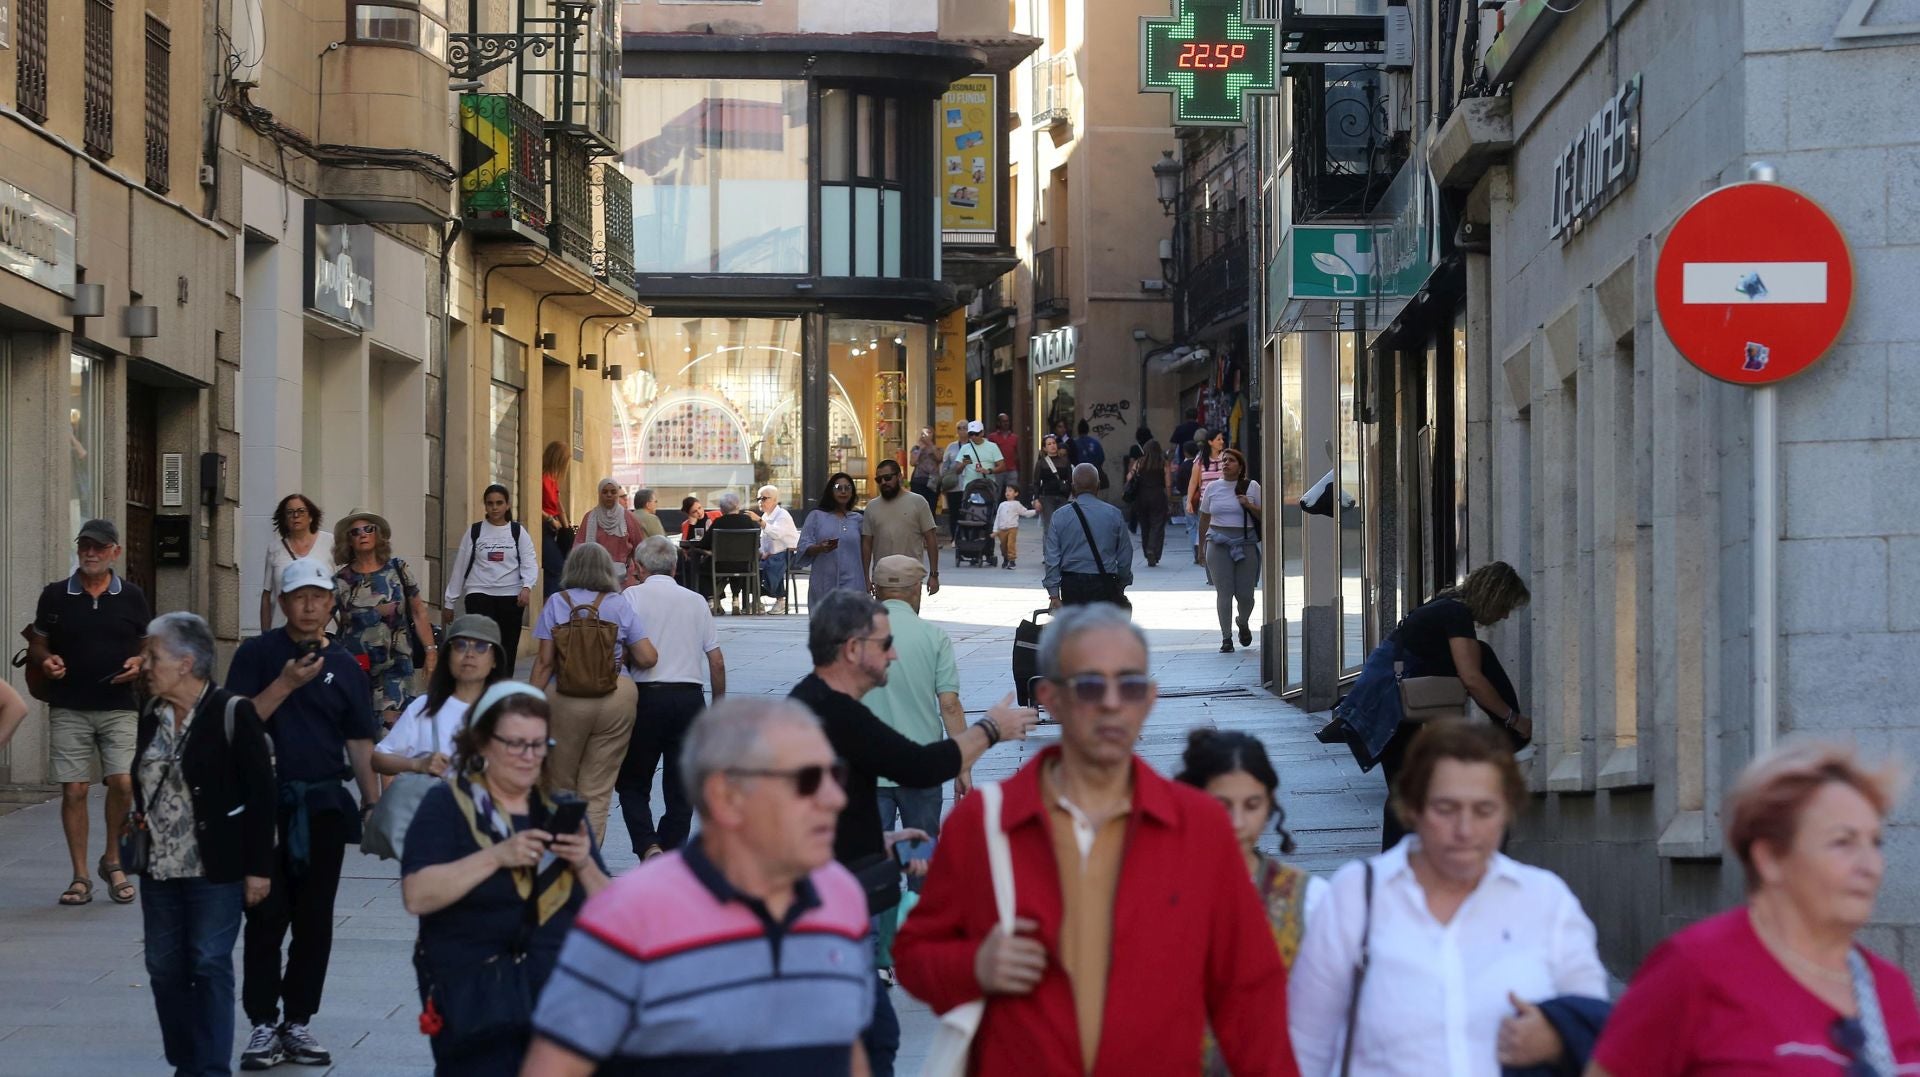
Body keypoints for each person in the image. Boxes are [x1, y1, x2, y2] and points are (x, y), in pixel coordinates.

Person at [895, 604, 1301, 1076]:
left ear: (1149, 699)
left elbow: (1251, 997)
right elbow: (916, 954)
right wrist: (973, 966)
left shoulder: (1200, 828)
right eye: (1090, 685)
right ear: (1049, 698)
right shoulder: (986, 823)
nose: (1111, 702)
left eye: (1128, 686)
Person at [522, 698, 874, 1076]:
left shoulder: (842, 896)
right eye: (807, 781)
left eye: (835, 775)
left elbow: (847, 1048)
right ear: (726, 797)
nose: (835, 799)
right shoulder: (630, 914)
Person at [792, 588, 1039, 1077]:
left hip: (831, 899)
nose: (895, 653)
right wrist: (991, 728)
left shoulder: (816, 705)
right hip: (826, 915)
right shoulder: (834, 713)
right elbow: (919, 765)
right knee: (870, 1040)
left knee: (873, 1037)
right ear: (852, 650)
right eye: (885, 645)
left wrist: (869, 838)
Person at [1288, 720, 1608, 1077]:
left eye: (1484, 810)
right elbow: (1305, 1048)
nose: (1465, 830)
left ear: (1507, 811)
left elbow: (1596, 1033)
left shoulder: (1546, 900)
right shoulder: (1357, 896)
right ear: (1413, 807)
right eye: (1446, 809)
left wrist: (1556, 1040)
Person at [1589, 741, 1920, 1076]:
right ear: (1770, 858)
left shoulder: (1888, 988)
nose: (1870, 865)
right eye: (1843, 842)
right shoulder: (1695, 969)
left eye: (1875, 843)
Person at [401, 683, 611, 1075]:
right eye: (515, 744)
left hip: (558, 1003)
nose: (528, 757)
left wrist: (584, 863)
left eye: (537, 745)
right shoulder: (448, 805)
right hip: (477, 1000)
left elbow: (616, 912)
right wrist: (496, 856)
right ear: (481, 743)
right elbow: (417, 895)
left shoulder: (561, 809)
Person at [226, 558, 382, 1070]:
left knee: (315, 922)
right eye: (299, 597)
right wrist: (287, 683)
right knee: (266, 918)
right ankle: (262, 1024)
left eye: (319, 596)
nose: (310, 605)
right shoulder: (256, 654)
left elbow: (359, 737)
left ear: (331, 603)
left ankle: (298, 1021)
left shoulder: (347, 662)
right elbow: (238, 724)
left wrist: (372, 799)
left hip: (323, 806)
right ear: (283, 603)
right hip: (265, 808)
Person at [132, 612, 276, 1077]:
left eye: (153, 655)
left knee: (209, 963)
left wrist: (259, 868)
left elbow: (261, 796)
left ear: (186, 662)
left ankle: (211, 1069)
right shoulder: (149, 714)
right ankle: (186, 1061)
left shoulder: (233, 712)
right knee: (163, 969)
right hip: (159, 868)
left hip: (216, 868)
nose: (144, 663)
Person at [1332, 561, 1533, 850]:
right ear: (1495, 596)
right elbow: (1472, 678)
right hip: (1387, 705)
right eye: (1506, 607)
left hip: (1386, 700)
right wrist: (1513, 718)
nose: (1503, 616)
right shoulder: (1455, 613)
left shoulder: (1445, 606)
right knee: (1407, 787)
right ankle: (1393, 868)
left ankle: (1402, 863)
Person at [28, 518, 151, 908]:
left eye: (99, 547)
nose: (91, 553)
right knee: (75, 789)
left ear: (115, 552)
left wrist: (139, 662)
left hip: (119, 706)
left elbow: (149, 644)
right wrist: (46, 661)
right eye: (85, 546)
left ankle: (112, 860)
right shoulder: (55, 596)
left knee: (123, 783)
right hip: (69, 705)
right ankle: (80, 875)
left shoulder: (131, 595)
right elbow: (37, 645)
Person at [861, 557, 966, 970]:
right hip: (922, 769)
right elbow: (950, 704)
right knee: (921, 860)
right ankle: (919, 949)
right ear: (916, 590)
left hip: (868, 771)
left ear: (875, 590)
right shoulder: (933, 636)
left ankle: (879, 958)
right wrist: (963, 763)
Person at [529, 543, 656, 840]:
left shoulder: (556, 602)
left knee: (559, 783)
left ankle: (559, 861)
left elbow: (544, 663)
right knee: (597, 790)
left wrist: (526, 705)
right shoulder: (619, 603)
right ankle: (587, 863)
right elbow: (648, 657)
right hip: (616, 695)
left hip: (566, 696)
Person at [1175, 729, 1328, 966]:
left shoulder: (1307, 898)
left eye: (1252, 806)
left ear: (1269, 804)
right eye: (1221, 806)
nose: (1237, 823)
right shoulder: (1160, 890)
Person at [617, 536, 725, 860]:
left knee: (633, 782)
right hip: (689, 699)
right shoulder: (694, 600)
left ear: (638, 566)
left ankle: (649, 846)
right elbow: (716, 661)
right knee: (681, 790)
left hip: (645, 698)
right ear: (676, 566)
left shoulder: (631, 596)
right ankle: (670, 851)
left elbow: (619, 651)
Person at [332, 509, 436, 728]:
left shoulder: (398, 569)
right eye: (355, 532)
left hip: (395, 664)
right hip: (356, 666)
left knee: (394, 731)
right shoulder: (340, 580)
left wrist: (430, 652)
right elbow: (320, 618)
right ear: (348, 540)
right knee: (360, 729)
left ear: (377, 535)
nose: (362, 534)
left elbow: (419, 612)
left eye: (368, 529)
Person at [371, 615, 505, 779]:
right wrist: (418, 764)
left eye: (482, 647)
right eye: (460, 645)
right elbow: (378, 759)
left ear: (494, 660)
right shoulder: (424, 706)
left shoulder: (508, 713)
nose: (470, 654)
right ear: (448, 656)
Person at [443, 484, 538, 673]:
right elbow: (460, 566)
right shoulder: (475, 532)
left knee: (506, 650)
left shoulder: (518, 532)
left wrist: (527, 587)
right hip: (479, 594)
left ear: (508, 505)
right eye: (490, 503)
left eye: (499, 503)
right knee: (482, 646)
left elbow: (529, 562)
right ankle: (481, 688)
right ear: (485, 506)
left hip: (510, 596)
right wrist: (449, 601)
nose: (495, 507)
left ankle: (501, 693)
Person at [1043, 462, 1134, 610]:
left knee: (1075, 630)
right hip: (1105, 582)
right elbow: (1125, 555)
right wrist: (1121, 583)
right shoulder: (1114, 514)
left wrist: (1054, 594)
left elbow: (1052, 557)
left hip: (1072, 584)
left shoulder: (1059, 516)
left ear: (1073, 486)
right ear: (1098, 485)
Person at [1199, 448, 1263, 653]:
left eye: (1231, 460)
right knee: (1223, 592)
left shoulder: (1251, 487)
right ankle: (1226, 638)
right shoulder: (1212, 487)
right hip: (1218, 543)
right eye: (1223, 460)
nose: (1226, 463)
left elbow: (1266, 517)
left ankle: (1242, 622)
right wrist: (1201, 548)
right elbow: (1204, 518)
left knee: (1246, 595)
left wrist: (1249, 505)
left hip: (1245, 543)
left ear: (1240, 465)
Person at [862, 458, 941, 591]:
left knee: (909, 612)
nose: (883, 482)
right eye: (879, 480)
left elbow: (931, 539)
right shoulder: (871, 507)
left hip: (911, 578)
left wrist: (934, 575)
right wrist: (866, 578)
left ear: (899, 476)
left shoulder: (918, 502)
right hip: (882, 578)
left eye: (887, 478)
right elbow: (866, 545)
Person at [260, 493, 333, 631]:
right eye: (290, 512)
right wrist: (265, 635)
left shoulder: (329, 542)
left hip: (324, 632)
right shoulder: (274, 549)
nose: (296, 516)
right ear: (284, 519)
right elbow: (267, 595)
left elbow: (341, 588)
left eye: (301, 511)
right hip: (282, 632)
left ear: (311, 516)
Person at [693, 491, 762, 615]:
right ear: (738, 506)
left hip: (720, 564)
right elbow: (757, 545)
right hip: (745, 566)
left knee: (702, 566)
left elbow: (703, 544)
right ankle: (736, 599)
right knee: (738, 562)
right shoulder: (748, 522)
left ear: (722, 509)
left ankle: (711, 599)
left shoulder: (718, 522)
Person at [798, 471, 867, 595]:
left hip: (853, 583)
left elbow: (866, 551)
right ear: (831, 491)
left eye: (847, 488)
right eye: (838, 488)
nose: (843, 491)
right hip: (824, 583)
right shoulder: (816, 516)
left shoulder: (858, 519)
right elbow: (803, 546)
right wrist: (819, 548)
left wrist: (867, 579)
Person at [577, 478, 646, 587]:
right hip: (595, 579)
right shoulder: (590, 518)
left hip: (624, 578)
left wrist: (641, 573)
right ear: (599, 494)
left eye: (613, 492)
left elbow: (640, 547)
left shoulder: (628, 518)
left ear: (617, 495)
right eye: (605, 492)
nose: (609, 495)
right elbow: (579, 547)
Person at [756, 485, 800, 614]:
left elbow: (776, 534)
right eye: (759, 498)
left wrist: (759, 521)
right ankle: (757, 601)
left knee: (773, 563)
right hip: (773, 555)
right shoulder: (765, 516)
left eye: (764, 498)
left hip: (790, 554)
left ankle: (780, 601)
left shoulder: (782, 515)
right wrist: (762, 552)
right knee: (753, 566)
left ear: (775, 500)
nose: (760, 501)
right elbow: (764, 540)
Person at [1186, 428, 1227, 563]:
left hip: (1224, 504)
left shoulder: (1226, 458)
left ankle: (1219, 560)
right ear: (1210, 442)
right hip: (1206, 505)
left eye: (1222, 439)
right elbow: (1193, 481)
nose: (1222, 442)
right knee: (1206, 534)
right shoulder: (1201, 460)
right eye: (1218, 439)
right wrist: (1189, 501)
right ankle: (1204, 559)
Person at [1130, 439, 1172, 568]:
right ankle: (1152, 549)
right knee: (1157, 524)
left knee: (1145, 525)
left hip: (1141, 497)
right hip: (1158, 496)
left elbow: (1129, 478)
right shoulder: (1163, 463)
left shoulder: (1139, 463)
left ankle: (1147, 552)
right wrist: (1169, 499)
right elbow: (1168, 483)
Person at [540, 441, 570, 601]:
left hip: (554, 528)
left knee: (558, 570)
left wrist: (568, 528)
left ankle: (550, 606)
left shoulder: (552, 480)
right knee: (557, 568)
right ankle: (550, 608)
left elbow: (559, 505)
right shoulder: (543, 479)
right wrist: (550, 519)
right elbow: (534, 505)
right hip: (545, 527)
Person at [1032, 432, 1073, 537]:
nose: (1052, 446)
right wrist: (1036, 499)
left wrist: (1069, 493)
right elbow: (1036, 482)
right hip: (1047, 497)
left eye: (1054, 443)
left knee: (1063, 526)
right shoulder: (1041, 463)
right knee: (1049, 526)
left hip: (1062, 496)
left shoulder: (1065, 461)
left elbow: (1070, 479)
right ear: (1045, 448)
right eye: (1049, 444)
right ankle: (1048, 552)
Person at [993, 481, 1038, 569]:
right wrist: (995, 530)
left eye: (1010, 491)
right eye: (1006, 491)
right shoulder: (1002, 504)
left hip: (1012, 528)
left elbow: (1025, 512)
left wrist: (1035, 511)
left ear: (1016, 493)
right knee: (1003, 546)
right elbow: (997, 517)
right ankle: (1006, 558)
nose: (1007, 493)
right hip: (1002, 529)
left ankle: (1012, 560)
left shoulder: (1017, 504)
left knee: (1011, 544)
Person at [940, 419, 972, 542]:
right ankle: (955, 537)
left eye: (965, 428)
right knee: (954, 512)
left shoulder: (972, 446)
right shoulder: (951, 446)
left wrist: (964, 464)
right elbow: (945, 464)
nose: (962, 430)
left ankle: (967, 537)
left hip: (969, 484)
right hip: (954, 485)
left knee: (968, 512)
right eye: (959, 428)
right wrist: (944, 478)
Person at [910, 427, 942, 510]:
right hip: (918, 481)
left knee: (931, 507)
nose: (926, 435)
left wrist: (930, 445)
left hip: (933, 481)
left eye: (929, 432)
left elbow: (939, 458)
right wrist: (921, 448)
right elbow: (912, 462)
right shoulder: (916, 448)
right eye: (923, 433)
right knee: (919, 507)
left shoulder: (937, 448)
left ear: (933, 435)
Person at [987, 412, 1021, 484]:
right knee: (996, 493)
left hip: (1012, 470)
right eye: (1003, 421)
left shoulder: (1014, 437)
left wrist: (1018, 469)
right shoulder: (992, 437)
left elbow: (1017, 454)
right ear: (999, 423)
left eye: (1007, 421)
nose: (1006, 423)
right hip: (997, 470)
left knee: (1012, 492)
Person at [1074, 418, 1107, 489]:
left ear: (1078, 430)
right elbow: (1101, 459)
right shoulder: (1096, 443)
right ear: (1088, 430)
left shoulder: (1074, 443)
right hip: (1094, 476)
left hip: (1078, 476)